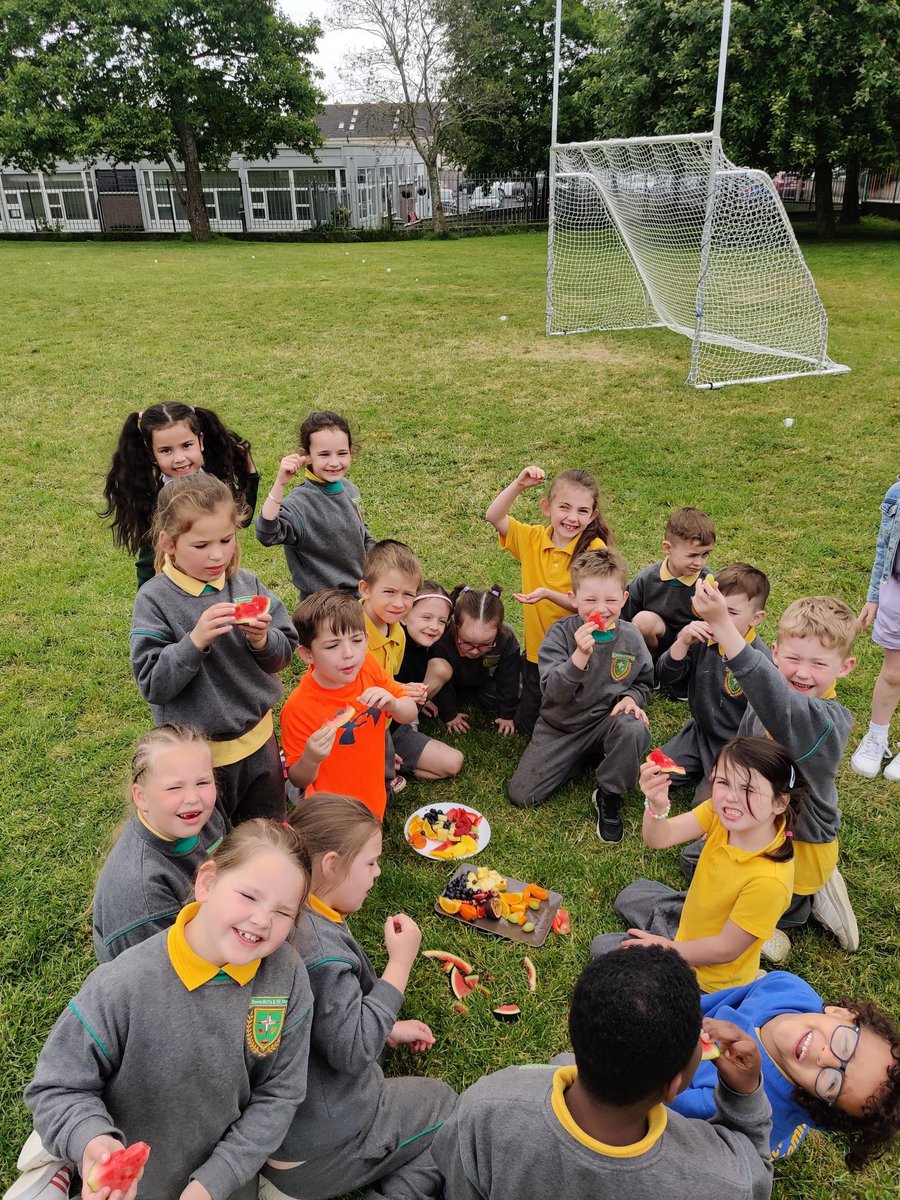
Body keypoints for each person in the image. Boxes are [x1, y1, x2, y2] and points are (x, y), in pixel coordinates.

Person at [23, 821, 314, 1200]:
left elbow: (279, 1095)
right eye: (248, 896)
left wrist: (213, 1182)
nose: (261, 920)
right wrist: (91, 1140)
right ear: (207, 882)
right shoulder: (121, 986)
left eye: (282, 912)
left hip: (224, 1185)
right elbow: (56, 1088)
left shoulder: (287, 978)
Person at [431, 945, 774, 1200]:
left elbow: (457, 1176)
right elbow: (756, 1175)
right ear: (672, 1088)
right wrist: (743, 1097)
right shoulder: (719, 1180)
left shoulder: (486, 1105)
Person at [261, 794, 456, 1200]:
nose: (378, 873)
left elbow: (325, 1022)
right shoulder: (320, 953)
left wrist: (387, 1027)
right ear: (331, 864)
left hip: (286, 1128)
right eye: (370, 863)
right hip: (314, 1151)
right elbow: (351, 1050)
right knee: (445, 1106)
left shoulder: (288, 912)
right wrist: (399, 966)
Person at [693, 585, 858, 957]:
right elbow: (740, 755)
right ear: (776, 653)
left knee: (771, 904)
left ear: (845, 668)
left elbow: (778, 701)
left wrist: (722, 623)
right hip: (758, 822)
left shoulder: (826, 722)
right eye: (793, 659)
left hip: (801, 841)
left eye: (819, 664)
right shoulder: (769, 700)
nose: (802, 673)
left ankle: (808, 901)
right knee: (695, 862)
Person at [129, 474, 298, 824]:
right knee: (212, 844)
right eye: (201, 545)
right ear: (169, 543)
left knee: (266, 828)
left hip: (260, 742)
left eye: (226, 539)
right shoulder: (155, 599)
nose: (218, 554)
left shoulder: (246, 583)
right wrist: (194, 642)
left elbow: (285, 652)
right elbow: (153, 683)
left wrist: (262, 641)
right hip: (200, 758)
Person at [591, 737, 804, 992]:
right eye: (724, 782)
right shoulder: (719, 811)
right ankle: (751, 931)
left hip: (708, 979)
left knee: (602, 948)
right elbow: (660, 838)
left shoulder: (770, 881)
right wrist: (656, 805)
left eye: (748, 790)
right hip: (693, 919)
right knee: (631, 895)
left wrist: (663, 949)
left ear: (779, 802)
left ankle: (751, 940)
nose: (732, 798)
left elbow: (724, 949)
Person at [670, 971, 900, 1167]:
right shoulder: (787, 987)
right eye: (845, 1044)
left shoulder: (716, 1101)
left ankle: (783, 1137)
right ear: (842, 1013)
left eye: (833, 1083)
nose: (825, 1057)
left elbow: (651, 1101)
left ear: (817, 1101)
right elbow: (715, 1003)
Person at [507, 549, 653, 843]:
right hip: (560, 727)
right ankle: (577, 758)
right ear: (573, 599)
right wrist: (578, 658)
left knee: (633, 727)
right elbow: (551, 693)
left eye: (611, 600)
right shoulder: (560, 635)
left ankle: (609, 794)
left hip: (604, 721)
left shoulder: (632, 638)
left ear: (624, 599)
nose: (601, 609)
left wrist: (632, 699)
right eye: (590, 600)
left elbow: (644, 682)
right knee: (521, 795)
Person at [485, 465, 611, 735]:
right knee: (528, 725)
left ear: (593, 516)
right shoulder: (532, 538)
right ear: (547, 507)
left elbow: (589, 606)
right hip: (537, 652)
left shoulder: (594, 550)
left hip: (576, 652)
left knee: (570, 712)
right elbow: (493, 516)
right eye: (564, 507)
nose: (572, 518)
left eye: (582, 511)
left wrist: (547, 594)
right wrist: (518, 484)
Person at [92, 723, 227, 963]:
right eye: (175, 787)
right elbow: (163, 974)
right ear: (141, 797)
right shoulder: (141, 893)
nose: (193, 798)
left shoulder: (202, 816)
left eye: (203, 782)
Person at [279, 589, 418, 819]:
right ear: (307, 655)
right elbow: (299, 778)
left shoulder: (368, 667)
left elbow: (409, 711)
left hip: (372, 795)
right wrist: (311, 758)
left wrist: (394, 704)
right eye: (332, 646)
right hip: (333, 811)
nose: (348, 654)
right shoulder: (298, 708)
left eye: (356, 640)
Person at [101, 402, 258, 590]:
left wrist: (250, 474)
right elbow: (147, 563)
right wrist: (148, 599)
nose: (179, 458)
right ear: (152, 453)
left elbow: (242, 519)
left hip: (220, 581)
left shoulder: (216, 484)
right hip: (177, 592)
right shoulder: (156, 500)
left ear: (200, 441)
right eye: (166, 450)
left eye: (186, 445)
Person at [655, 563, 771, 803]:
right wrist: (683, 640)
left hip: (738, 747)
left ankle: (717, 774)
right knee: (654, 775)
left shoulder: (760, 660)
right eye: (717, 610)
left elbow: (767, 721)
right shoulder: (703, 637)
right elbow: (666, 675)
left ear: (757, 618)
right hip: (701, 733)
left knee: (708, 805)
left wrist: (743, 763)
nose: (720, 620)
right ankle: (699, 764)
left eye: (732, 613)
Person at [359, 540, 462, 787]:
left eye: (408, 595)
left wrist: (403, 692)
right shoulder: (350, 631)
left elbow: (389, 682)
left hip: (386, 724)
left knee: (453, 762)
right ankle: (381, 766)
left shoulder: (397, 632)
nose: (399, 603)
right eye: (389, 592)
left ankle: (389, 763)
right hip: (354, 730)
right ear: (365, 589)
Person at [254, 410, 376, 599]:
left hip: (361, 597)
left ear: (351, 452)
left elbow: (363, 534)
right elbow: (265, 533)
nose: (334, 462)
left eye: (342, 453)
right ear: (307, 455)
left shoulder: (350, 489)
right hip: (324, 609)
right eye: (324, 454)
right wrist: (280, 483)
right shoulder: (299, 504)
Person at [850, 476, 900, 781]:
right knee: (893, 673)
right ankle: (876, 737)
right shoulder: (897, 494)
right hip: (896, 594)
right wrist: (874, 596)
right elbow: (884, 548)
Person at [622, 507, 716, 660]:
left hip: (692, 644)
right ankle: (650, 665)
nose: (699, 562)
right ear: (667, 548)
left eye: (705, 554)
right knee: (643, 620)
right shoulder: (648, 578)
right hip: (659, 639)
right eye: (692, 555)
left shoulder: (709, 583)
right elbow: (624, 615)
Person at [427, 585, 521, 737]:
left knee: (515, 697)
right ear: (455, 626)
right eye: (467, 642)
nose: (475, 650)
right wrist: (450, 714)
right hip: (448, 680)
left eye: (485, 644)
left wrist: (507, 714)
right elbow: (438, 679)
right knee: (436, 693)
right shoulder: (441, 638)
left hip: (483, 680)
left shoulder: (506, 638)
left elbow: (509, 677)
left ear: (499, 630)